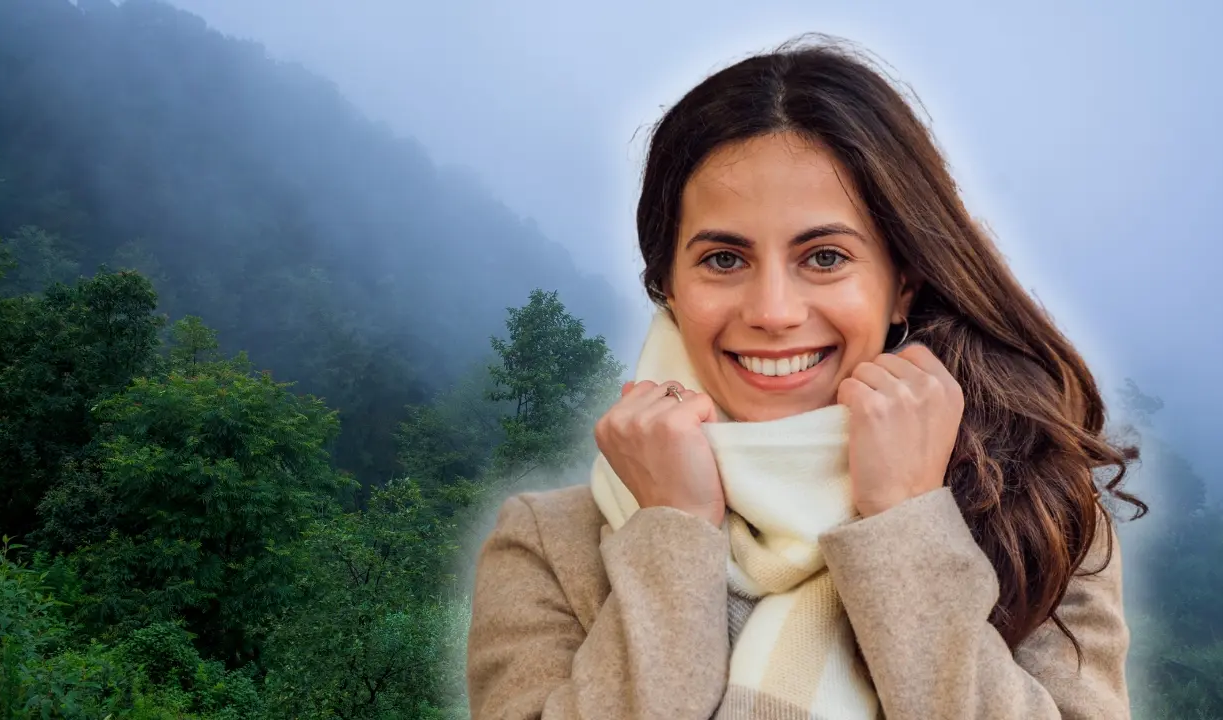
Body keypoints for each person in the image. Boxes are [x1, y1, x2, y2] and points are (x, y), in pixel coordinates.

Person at [466, 33, 1144, 720]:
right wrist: (671, 532)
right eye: (724, 260)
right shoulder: (549, 544)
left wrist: (907, 522)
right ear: (666, 286)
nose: (773, 312)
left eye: (824, 257)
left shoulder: (1042, 519)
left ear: (903, 281)